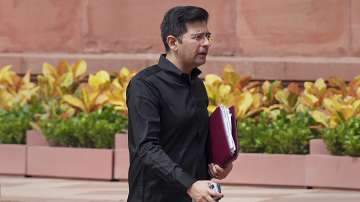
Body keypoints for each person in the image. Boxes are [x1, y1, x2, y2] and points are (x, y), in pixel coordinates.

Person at [126, 6, 233, 202]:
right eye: (198, 37)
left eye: (208, 36)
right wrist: (189, 184)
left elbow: (195, 140)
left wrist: (219, 163)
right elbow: (146, 148)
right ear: (173, 42)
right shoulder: (145, 85)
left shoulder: (197, 85)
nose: (207, 43)